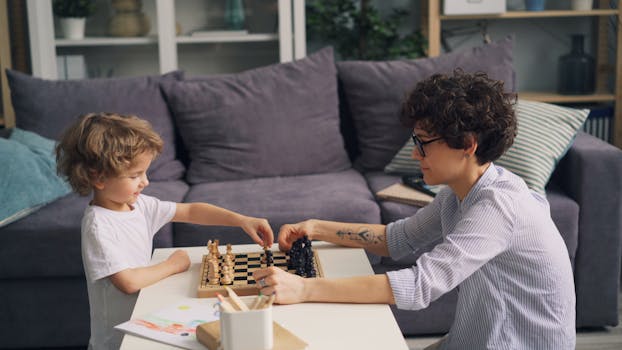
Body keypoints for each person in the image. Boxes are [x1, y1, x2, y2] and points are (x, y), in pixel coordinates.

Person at [253, 71, 576, 349]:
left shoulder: (498, 207)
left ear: (467, 144)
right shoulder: (461, 193)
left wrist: (304, 289)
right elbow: (398, 239)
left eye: (423, 141)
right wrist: (316, 227)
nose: (414, 153)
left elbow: (420, 285)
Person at [55, 113, 274, 350]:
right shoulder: (99, 226)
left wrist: (241, 220)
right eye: (134, 175)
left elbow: (190, 211)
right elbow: (128, 282)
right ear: (98, 177)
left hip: (140, 323)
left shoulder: (137, 205)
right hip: (117, 340)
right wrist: (173, 265)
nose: (145, 182)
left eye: (145, 173)